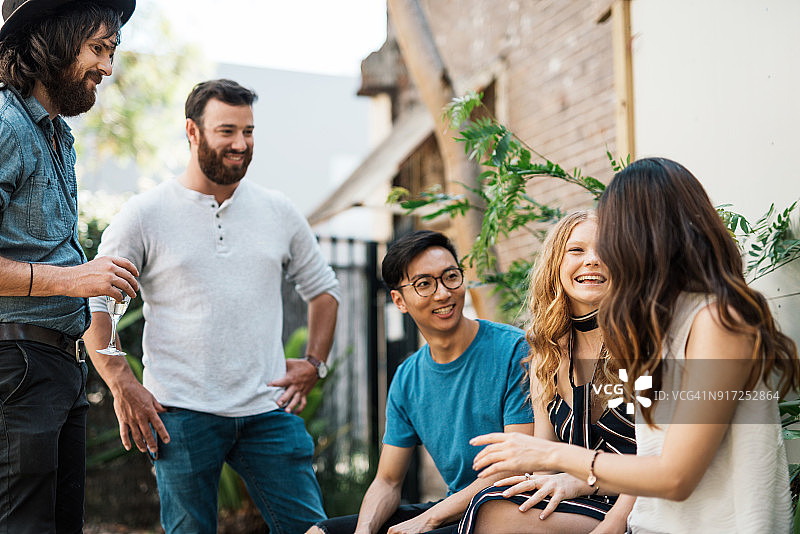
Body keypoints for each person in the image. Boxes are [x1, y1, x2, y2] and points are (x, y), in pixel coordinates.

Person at [470, 157, 800, 533]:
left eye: (611, 231)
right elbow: (650, 454)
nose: (603, 250)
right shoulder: (661, 323)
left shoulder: (721, 319)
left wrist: (551, 454)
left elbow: (675, 475)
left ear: (649, 233)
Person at [82, 79, 340, 534]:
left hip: (266, 411)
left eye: (249, 131)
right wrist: (121, 382)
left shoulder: (278, 211)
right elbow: (96, 304)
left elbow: (324, 290)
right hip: (179, 415)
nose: (241, 144)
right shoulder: (145, 214)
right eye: (227, 131)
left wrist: (314, 362)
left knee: (312, 531)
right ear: (193, 131)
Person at [0, 0, 137, 531]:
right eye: (98, 49)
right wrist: (74, 279)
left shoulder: (58, 136)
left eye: (112, 52)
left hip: (59, 368)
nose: (108, 67)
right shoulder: (7, 124)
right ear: (53, 41)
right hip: (17, 363)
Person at [309, 230, 534, 534]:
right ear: (399, 301)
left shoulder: (514, 351)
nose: (443, 293)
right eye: (424, 284)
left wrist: (429, 519)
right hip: (456, 509)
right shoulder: (407, 377)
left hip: (510, 509)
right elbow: (388, 481)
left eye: (451, 277)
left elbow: (515, 468)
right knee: (321, 532)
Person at [456, 210, 635, 534]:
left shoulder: (641, 344)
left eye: (606, 249)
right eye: (576, 250)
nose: (593, 259)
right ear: (555, 264)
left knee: (496, 513)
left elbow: (657, 458)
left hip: (633, 502)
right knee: (494, 501)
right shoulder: (545, 353)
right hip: (577, 499)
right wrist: (526, 482)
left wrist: (613, 523)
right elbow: (545, 458)